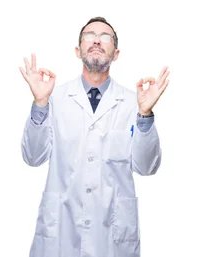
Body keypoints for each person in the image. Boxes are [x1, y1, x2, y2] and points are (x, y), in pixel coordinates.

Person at [19, 16, 170, 257]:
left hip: (111, 238)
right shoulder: (54, 98)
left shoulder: (135, 102)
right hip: (61, 235)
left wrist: (145, 114)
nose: (97, 41)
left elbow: (146, 167)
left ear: (116, 53)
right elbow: (33, 157)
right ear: (78, 50)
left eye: (105, 37)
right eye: (90, 36)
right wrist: (39, 103)